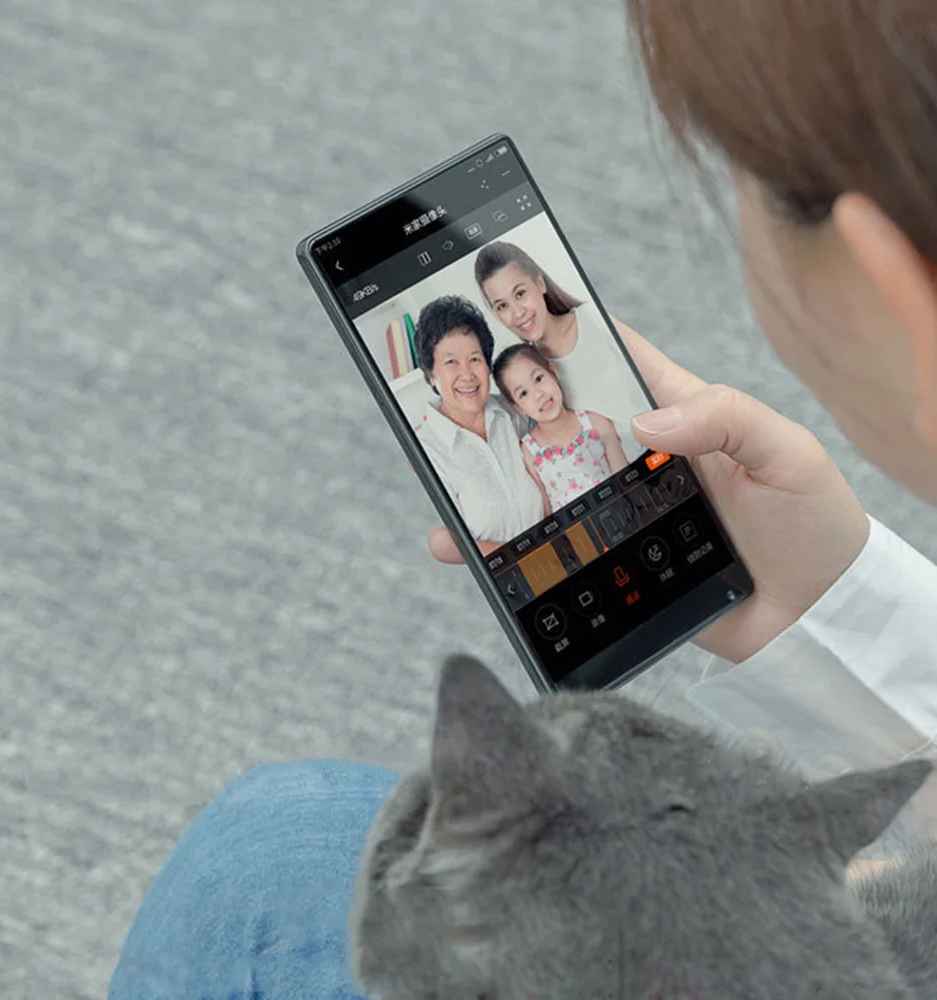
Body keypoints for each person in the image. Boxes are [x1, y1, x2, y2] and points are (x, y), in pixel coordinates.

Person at [108, 1, 937, 997]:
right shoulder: (496, 431)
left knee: (260, 862)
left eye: (737, 180)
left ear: (892, 284)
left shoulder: (557, 424)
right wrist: (828, 593)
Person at [474, 240, 647, 453]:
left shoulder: (594, 320)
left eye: (520, 294)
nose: (518, 313)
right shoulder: (529, 373)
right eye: (502, 306)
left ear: (540, 283)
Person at [408, 294, 544, 553]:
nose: (467, 374)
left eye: (475, 359)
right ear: (431, 375)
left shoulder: (515, 408)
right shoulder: (425, 451)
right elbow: (445, 544)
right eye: (451, 362)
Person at [492, 342, 629, 513]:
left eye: (538, 379)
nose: (538, 394)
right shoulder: (529, 452)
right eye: (523, 393)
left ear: (553, 372)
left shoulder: (596, 423)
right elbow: (547, 514)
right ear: (517, 407)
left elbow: (626, 482)